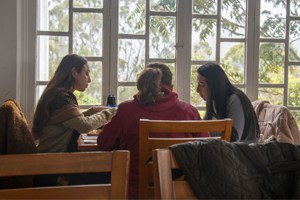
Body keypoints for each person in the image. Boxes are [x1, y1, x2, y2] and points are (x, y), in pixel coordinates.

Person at [97, 63, 209, 199]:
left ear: (144, 83)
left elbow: (103, 144)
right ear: (171, 87)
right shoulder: (189, 112)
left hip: (135, 192)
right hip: (179, 192)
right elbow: (206, 150)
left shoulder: (126, 110)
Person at [32, 54, 116, 185]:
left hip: (51, 165)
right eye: (86, 73)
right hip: (52, 171)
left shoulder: (57, 93)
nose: (89, 80)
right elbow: (84, 126)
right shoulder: (62, 97)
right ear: (74, 72)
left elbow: (71, 120)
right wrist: (110, 112)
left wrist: (93, 110)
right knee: (110, 176)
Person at [196, 62, 260, 143]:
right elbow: (204, 131)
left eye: (202, 85)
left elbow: (233, 139)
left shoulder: (234, 99)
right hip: (224, 152)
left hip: (241, 153)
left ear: (214, 85)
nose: (197, 90)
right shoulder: (213, 101)